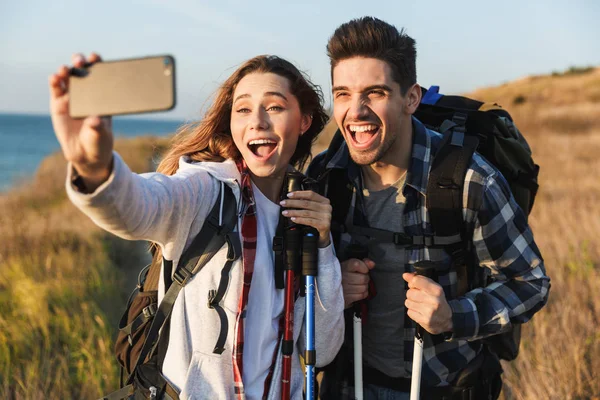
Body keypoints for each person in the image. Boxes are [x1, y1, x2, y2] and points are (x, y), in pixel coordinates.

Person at [49, 53, 345, 399]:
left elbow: (320, 350)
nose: (258, 122)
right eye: (244, 109)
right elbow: (139, 207)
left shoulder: (303, 212)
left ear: (304, 120)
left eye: (275, 107)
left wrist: (323, 246)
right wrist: (94, 168)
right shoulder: (206, 191)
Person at [307, 17, 550, 400]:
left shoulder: (470, 181)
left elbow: (531, 284)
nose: (356, 112)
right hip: (345, 386)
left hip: (445, 388)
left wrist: (453, 316)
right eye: (342, 94)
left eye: (375, 92)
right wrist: (332, 283)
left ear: (411, 98)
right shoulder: (325, 175)